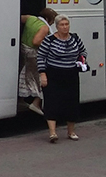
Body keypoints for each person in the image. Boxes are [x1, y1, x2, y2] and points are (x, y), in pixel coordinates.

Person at [37, 14, 87, 143]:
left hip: (71, 74)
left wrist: (82, 60)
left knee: (72, 103)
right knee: (52, 102)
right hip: (53, 74)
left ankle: (71, 132)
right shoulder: (49, 40)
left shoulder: (75, 38)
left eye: (67, 24)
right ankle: (52, 133)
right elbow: (41, 57)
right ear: (57, 26)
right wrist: (43, 74)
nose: (65, 27)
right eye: (62, 25)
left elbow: (83, 51)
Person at [19, 8, 57, 116]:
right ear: (47, 19)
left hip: (23, 50)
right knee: (39, 79)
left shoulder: (30, 18)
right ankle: (36, 103)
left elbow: (19, 18)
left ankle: (21, 99)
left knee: (24, 75)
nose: (52, 23)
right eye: (52, 20)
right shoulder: (44, 27)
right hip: (33, 54)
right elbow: (36, 41)